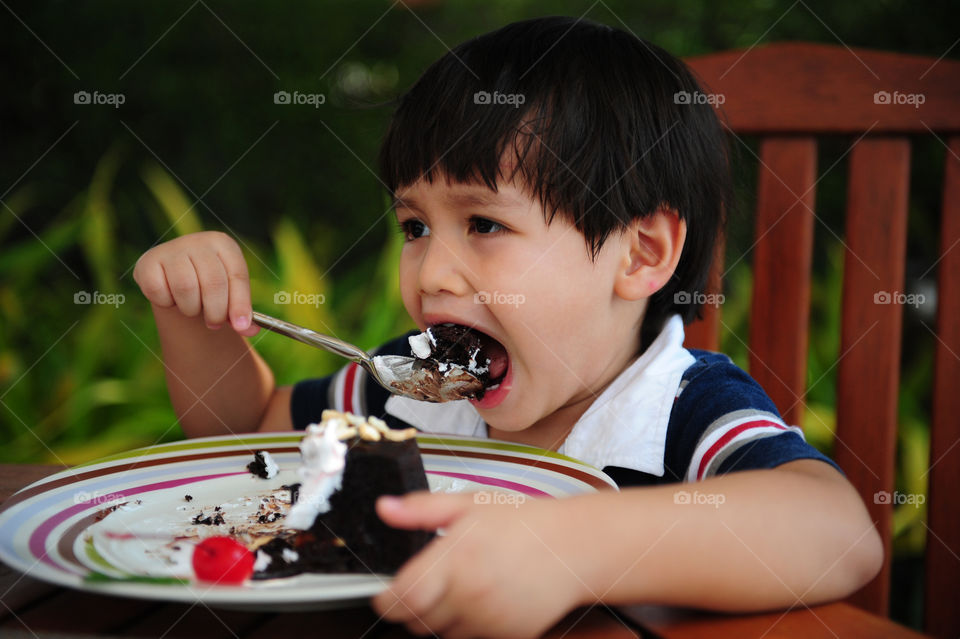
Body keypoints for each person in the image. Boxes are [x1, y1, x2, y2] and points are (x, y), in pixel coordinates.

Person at [134, 17, 882, 638]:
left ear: (642, 253)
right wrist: (196, 321)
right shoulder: (419, 385)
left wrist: (567, 548)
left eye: (484, 222)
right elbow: (252, 429)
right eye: (415, 226)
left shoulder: (677, 410)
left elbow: (835, 531)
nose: (430, 274)